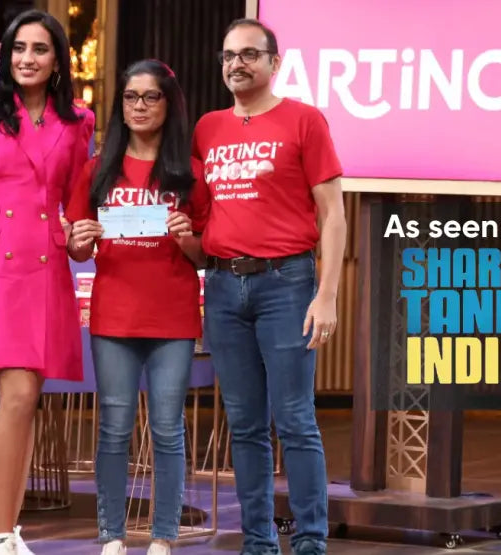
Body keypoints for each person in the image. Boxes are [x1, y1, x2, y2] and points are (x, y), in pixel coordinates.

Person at [191, 18, 347, 555]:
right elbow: (202, 211)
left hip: (288, 283)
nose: (237, 64)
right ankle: (258, 541)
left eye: (249, 54)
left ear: (274, 63)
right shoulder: (207, 128)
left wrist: (327, 294)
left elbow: (333, 214)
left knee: (296, 419)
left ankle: (310, 540)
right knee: (244, 425)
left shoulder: (304, 120)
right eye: (229, 55)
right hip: (223, 287)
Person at [0, 9, 94, 555]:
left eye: (40, 49)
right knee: (21, 392)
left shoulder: (79, 121)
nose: (28, 58)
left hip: (46, 268)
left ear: (58, 61)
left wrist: (82, 240)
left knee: (27, 399)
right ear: (6, 56)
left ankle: (8, 533)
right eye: (19, 48)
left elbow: (76, 203)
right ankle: (1, 536)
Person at [65, 59, 209, 555]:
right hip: (114, 316)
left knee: (168, 429)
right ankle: (112, 535)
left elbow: (205, 253)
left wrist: (188, 238)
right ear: (120, 106)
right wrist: (79, 240)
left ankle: (164, 536)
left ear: (169, 104)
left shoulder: (190, 172)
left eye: (151, 97)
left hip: (173, 317)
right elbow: (78, 248)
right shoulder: (97, 168)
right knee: (113, 428)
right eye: (131, 97)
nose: (140, 106)